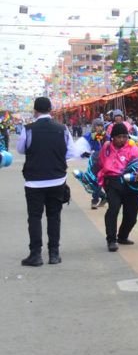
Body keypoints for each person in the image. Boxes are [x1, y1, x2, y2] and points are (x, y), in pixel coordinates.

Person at [17, 96, 80, 266]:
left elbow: (21, 149)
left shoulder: (28, 129)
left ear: (35, 111)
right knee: (54, 216)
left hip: (34, 181)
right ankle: (54, 253)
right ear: (50, 110)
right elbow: (71, 153)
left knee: (35, 217)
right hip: (57, 179)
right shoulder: (62, 129)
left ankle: (35, 255)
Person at [96, 123, 138, 252]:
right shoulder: (106, 148)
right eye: (119, 137)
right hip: (112, 182)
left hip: (131, 184)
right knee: (113, 209)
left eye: (125, 136)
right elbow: (100, 163)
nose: (122, 139)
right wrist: (100, 179)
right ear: (113, 137)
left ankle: (123, 236)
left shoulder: (133, 149)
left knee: (131, 215)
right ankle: (111, 240)